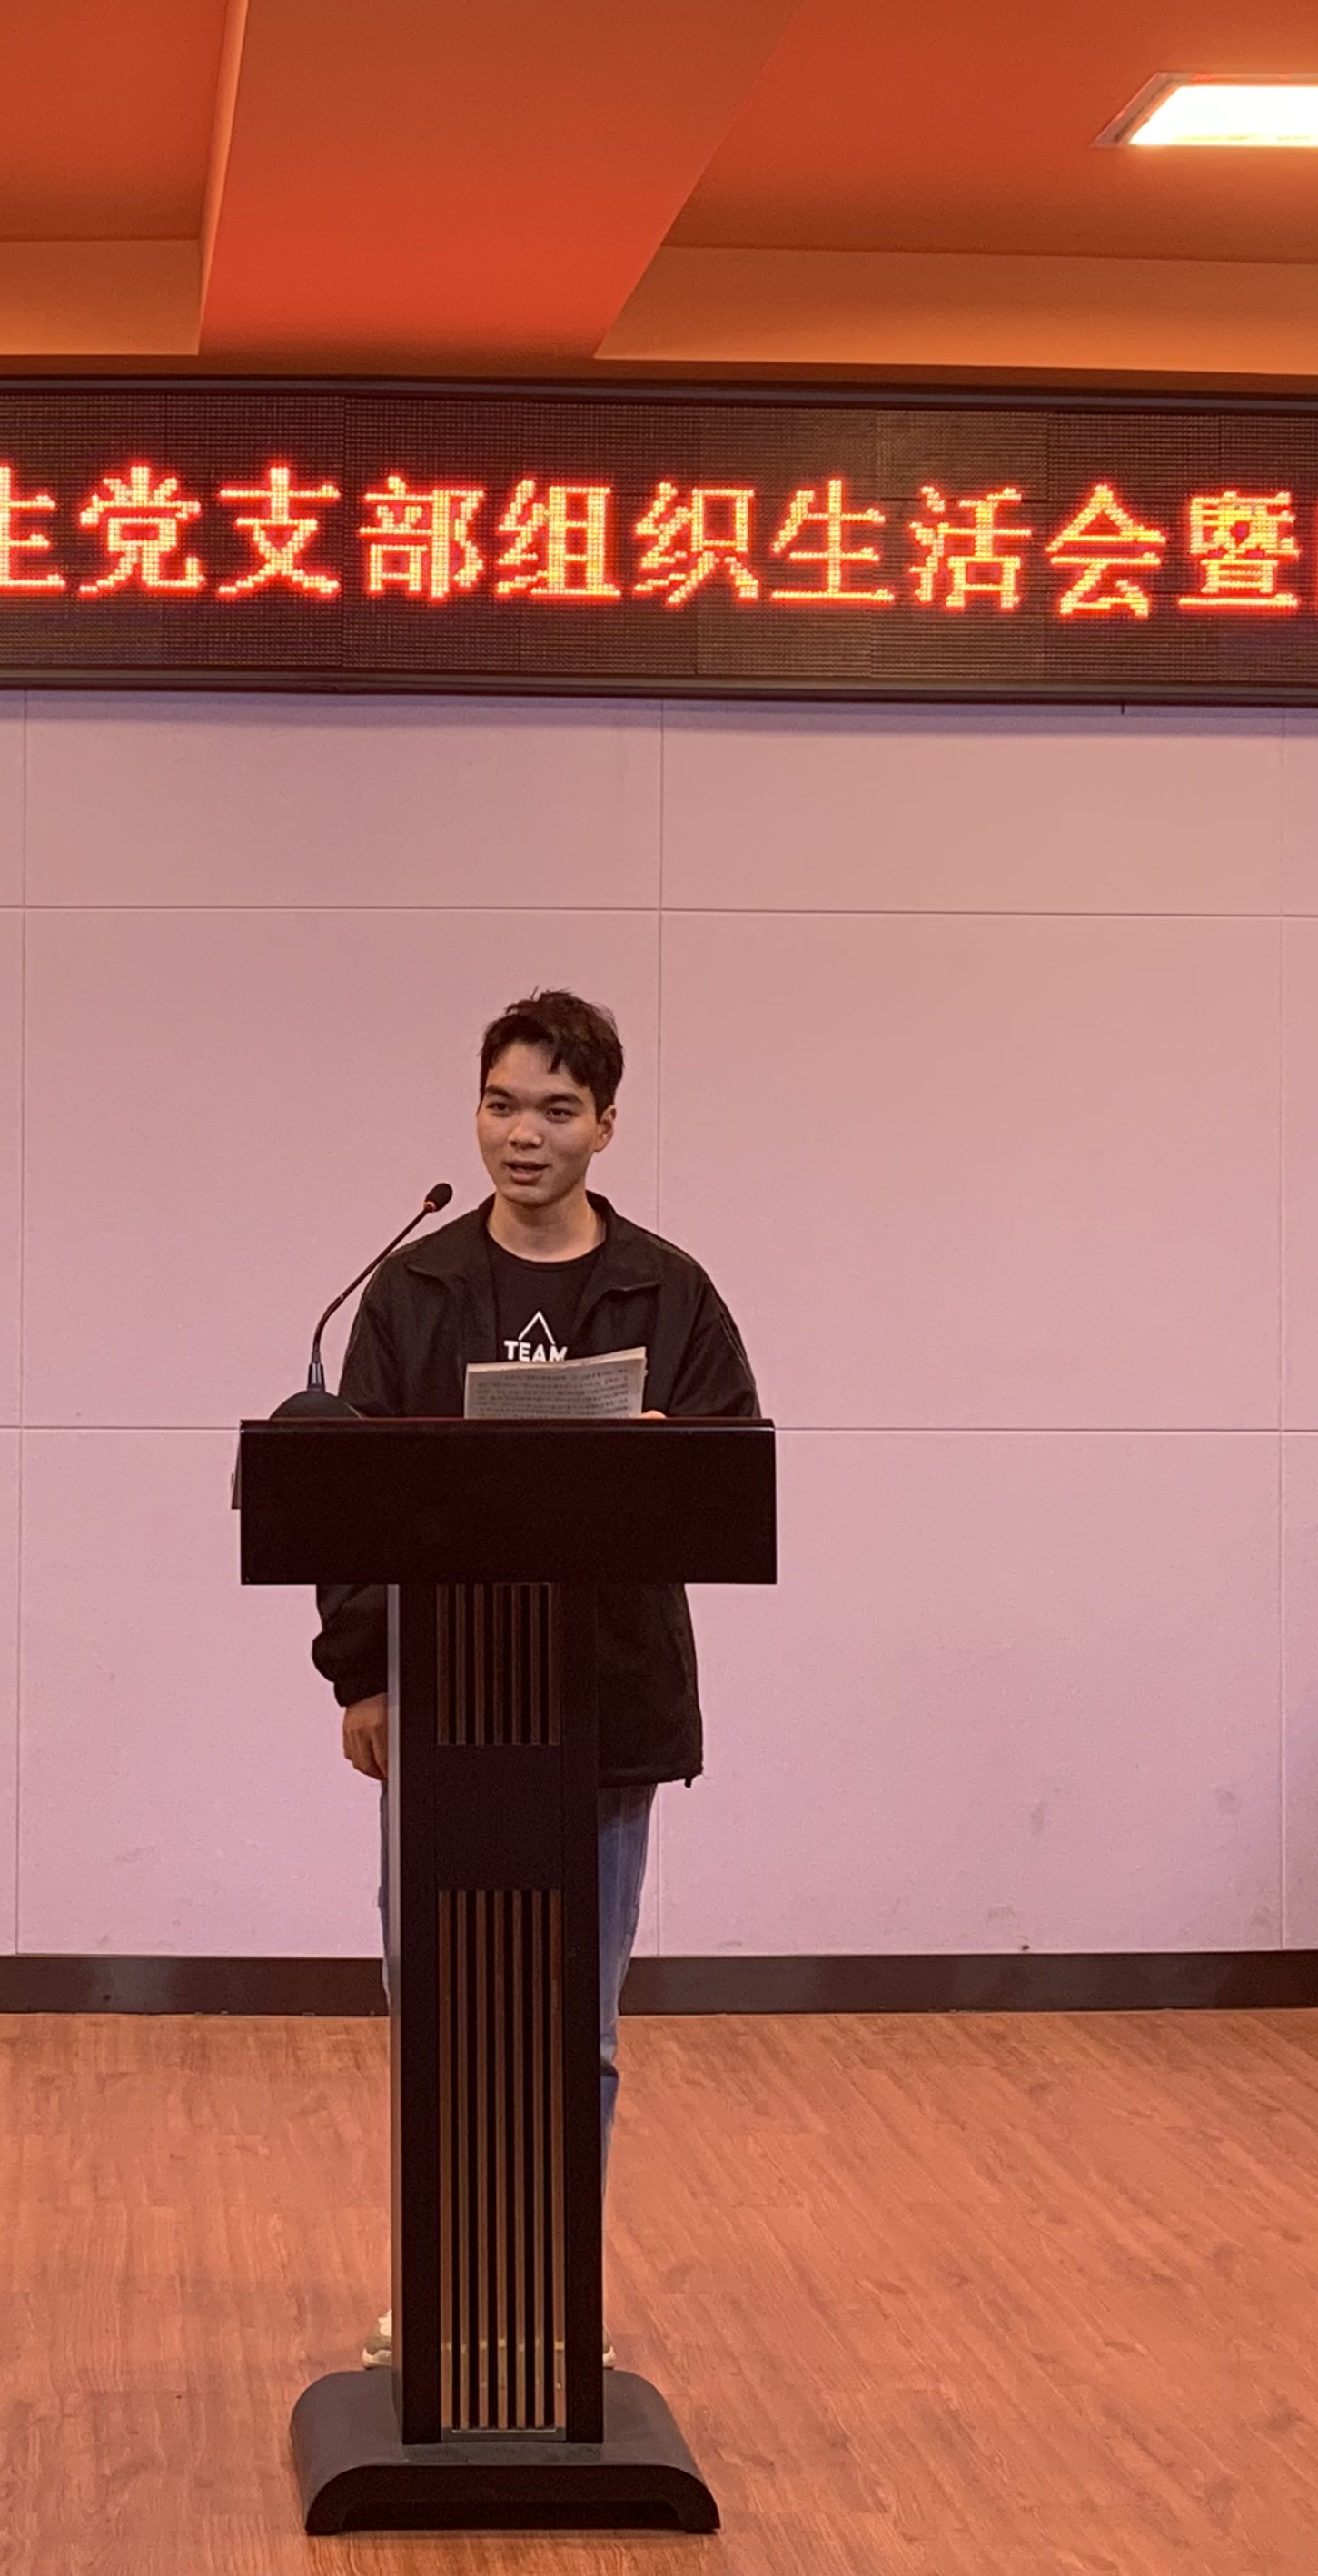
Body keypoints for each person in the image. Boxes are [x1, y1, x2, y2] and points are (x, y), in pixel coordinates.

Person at [312, 990, 760, 2357]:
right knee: (443, 2012)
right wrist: (364, 1677)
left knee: (579, 2025)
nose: (525, 1133)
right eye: (503, 1104)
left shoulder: (667, 1291)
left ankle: (556, 2302)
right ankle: (443, 2295)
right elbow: (346, 1501)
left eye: (558, 1110)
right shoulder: (417, 1289)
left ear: (605, 1126)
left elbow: (728, 1478)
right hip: (447, 1704)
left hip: (602, 1706)